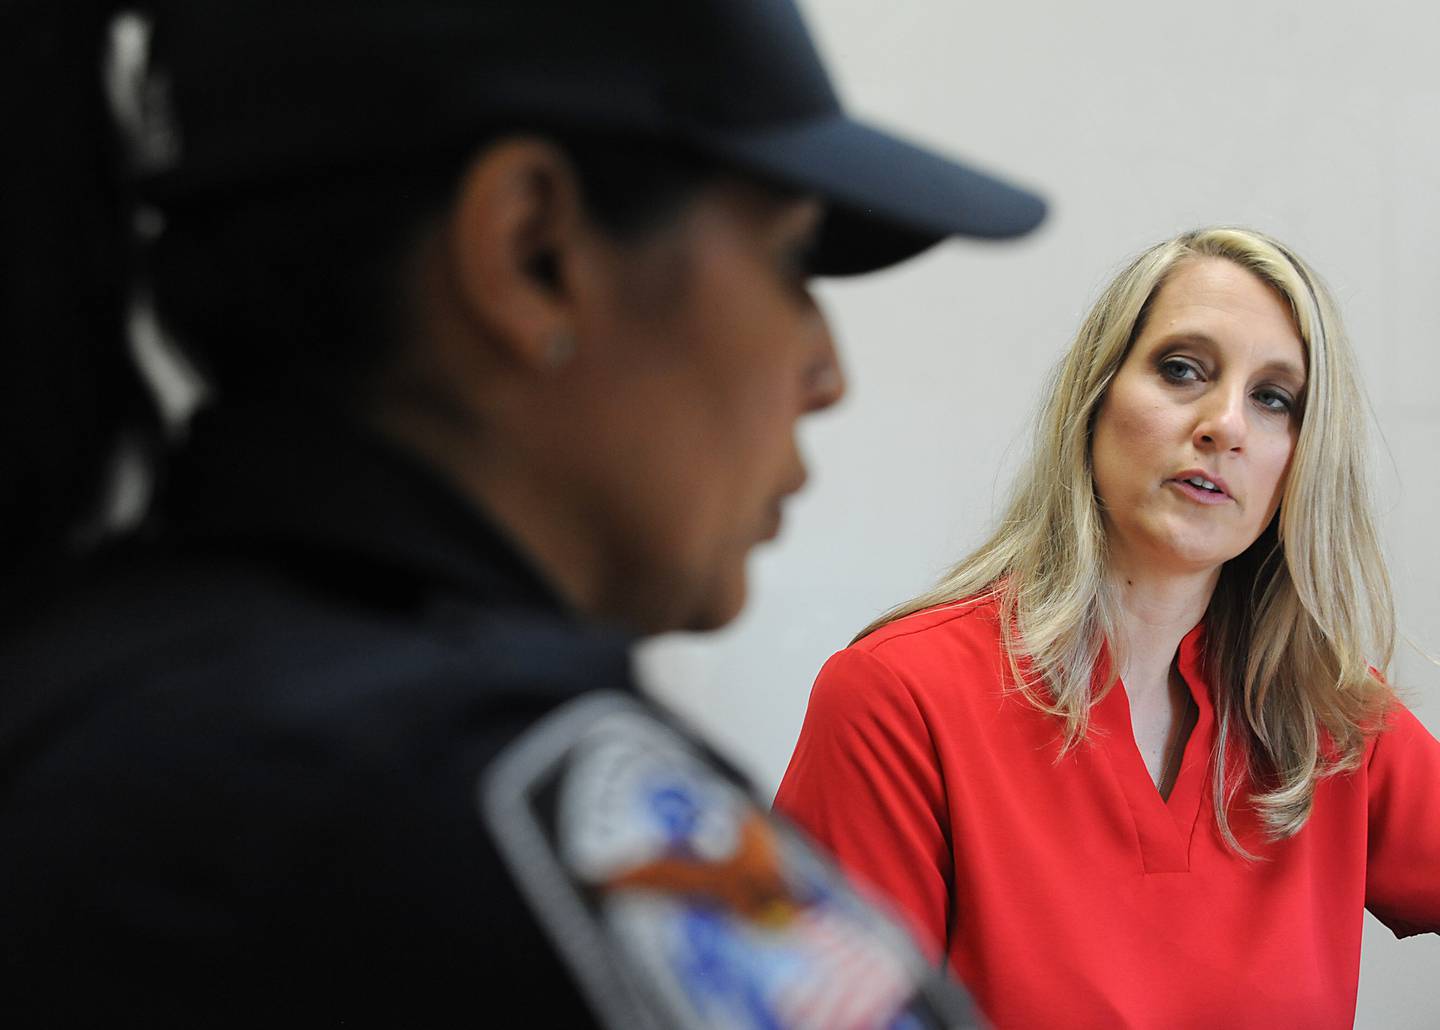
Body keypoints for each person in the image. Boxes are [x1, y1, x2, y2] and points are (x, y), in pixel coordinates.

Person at [0, 0, 1046, 1025]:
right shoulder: (476, 789)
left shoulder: (93, 673)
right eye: (788, 260)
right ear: (531, 252)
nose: (826, 372)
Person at [774, 227, 1440, 1028]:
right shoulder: (898, 697)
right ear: (1095, 398)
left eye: (1274, 399)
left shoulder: (1332, 721)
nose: (1224, 424)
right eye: (1183, 369)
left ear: (1301, 459)